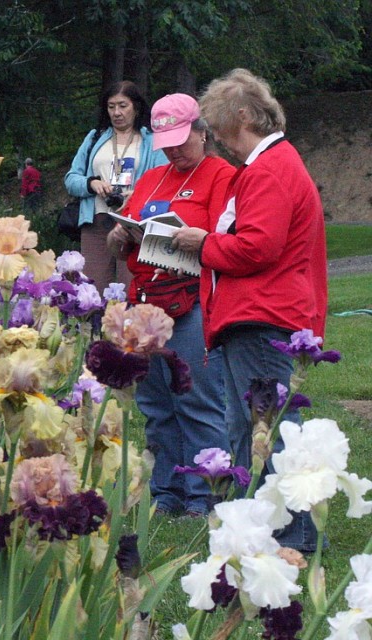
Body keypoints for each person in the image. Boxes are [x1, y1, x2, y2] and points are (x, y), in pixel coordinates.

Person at [173, 69, 327, 551]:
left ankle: (289, 534)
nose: (217, 141)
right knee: (254, 427)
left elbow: (258, 247)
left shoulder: (269, 169)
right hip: (261, 315)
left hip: (264, 316)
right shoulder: (271, 166)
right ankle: (267, 527)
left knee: (268, 430)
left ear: (242, 116)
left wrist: (204, 245)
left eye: (219, 128)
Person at [108, 94, 235, 517]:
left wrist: (196, 238)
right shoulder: (152, 178)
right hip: (147, 302)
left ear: (203, 133)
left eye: (183, 139)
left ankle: (206, 496)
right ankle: (167, 492)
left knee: (197, 400)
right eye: (167, 142)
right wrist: (120, 235)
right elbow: (127, 222)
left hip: (193, 298)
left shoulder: (222, 175)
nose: (175, 150)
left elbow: (226, 239)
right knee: (157, 403)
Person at [64, 81, 168, 294]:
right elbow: (71, 178)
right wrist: (91, 184)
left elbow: (164, 179)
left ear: (136, 107)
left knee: (131, 285)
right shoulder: (95, 138)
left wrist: (137, 194)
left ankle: (129, 327)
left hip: (133, 223)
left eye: (123, 105)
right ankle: (90, 327)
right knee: (90, 287)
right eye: (111, 107)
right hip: (96, 220)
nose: (117, 113)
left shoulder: (151, 140)